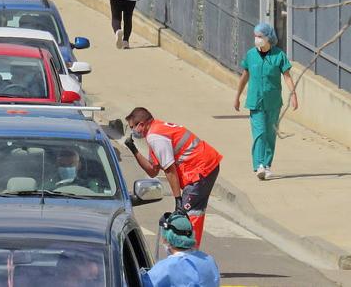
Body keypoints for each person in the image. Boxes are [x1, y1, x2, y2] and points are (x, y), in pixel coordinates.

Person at [124, 107, 222, 247]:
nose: (132, 131)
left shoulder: (155, 136)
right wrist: (134, 150)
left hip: (200, 169)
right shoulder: (155, 131)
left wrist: (178, 199)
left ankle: (187, 255)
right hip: (204, 167)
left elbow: (170, 169)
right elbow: (153, 170)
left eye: (132, 127)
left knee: (186, 217)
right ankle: (191, 253)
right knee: (193, 214)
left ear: (141, 124)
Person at [234, 22, 298, 180]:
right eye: (255, 36)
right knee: (259, 133)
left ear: (268, 38)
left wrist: (294, 95)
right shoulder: (250, 55)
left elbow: (287, 76)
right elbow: (244, 77)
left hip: (273, 102)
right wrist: (237, 97)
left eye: (260, 36)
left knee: (270, 134)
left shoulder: (279, 55)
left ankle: (267, 165)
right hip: (255, 101)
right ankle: (259, 165)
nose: (257, 39)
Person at [141, 212, 221, 287]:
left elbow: (146, 283)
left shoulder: (165, 268)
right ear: (191, 235)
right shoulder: (209, 261)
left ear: (166, 239)